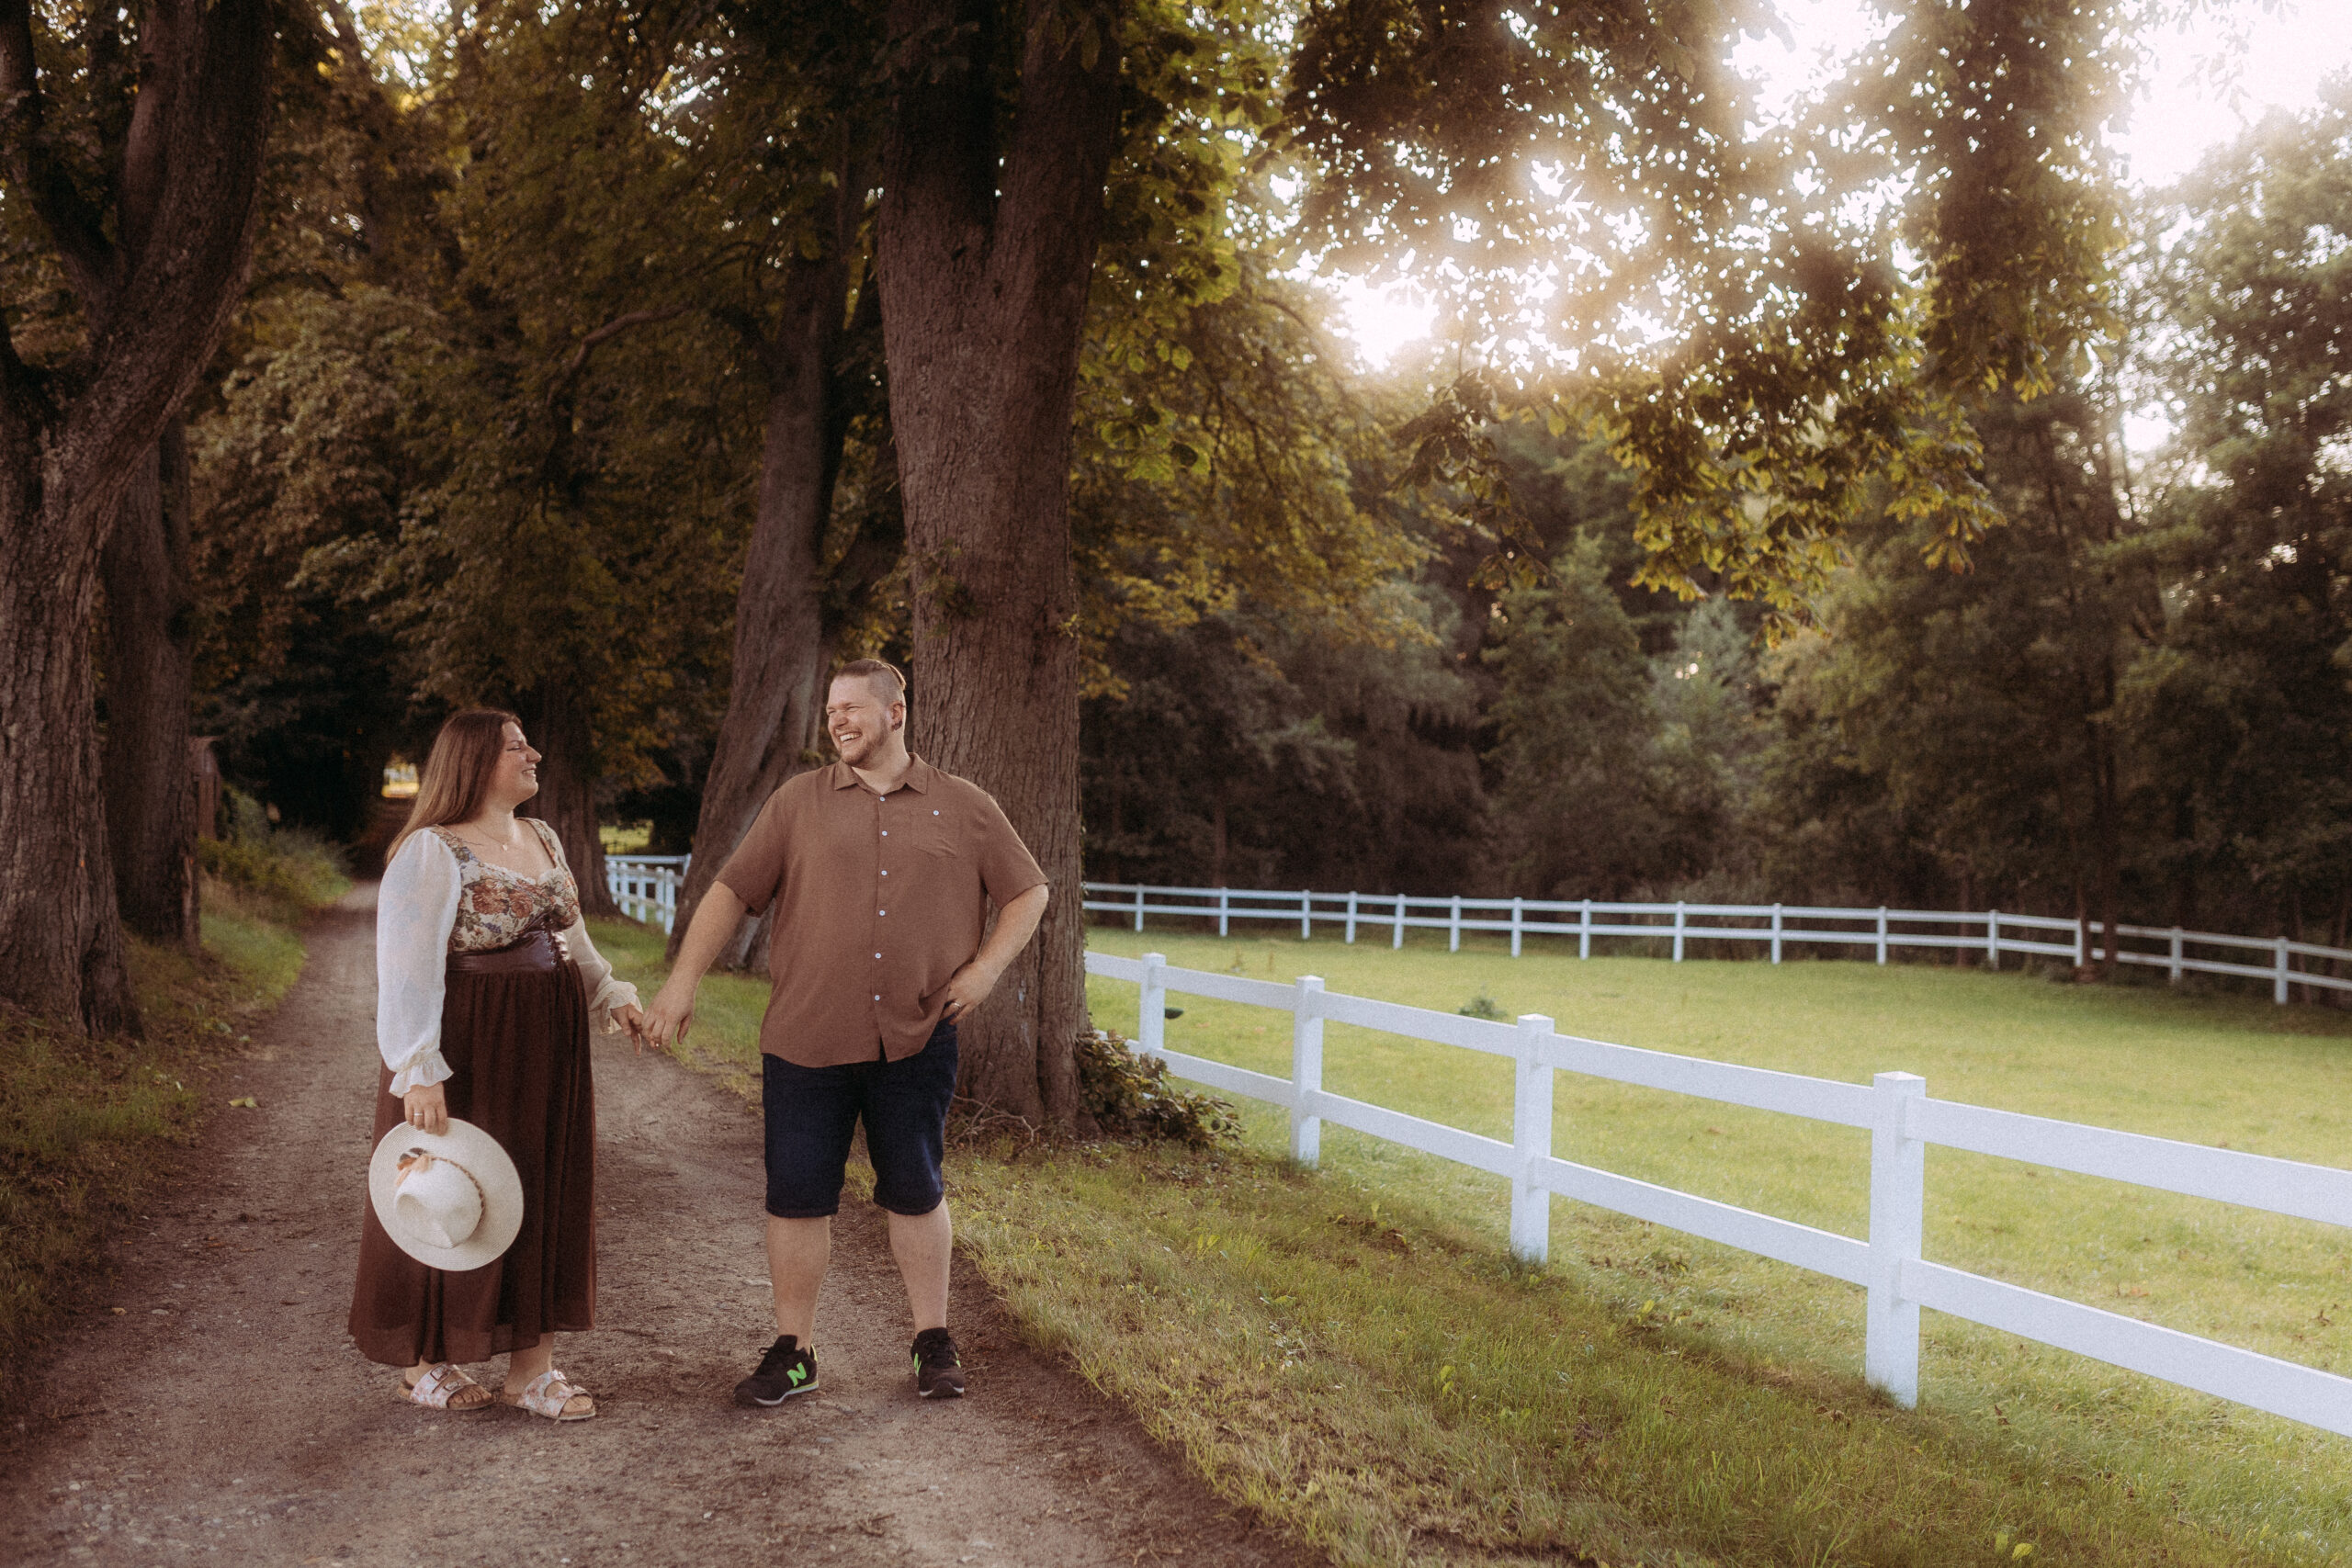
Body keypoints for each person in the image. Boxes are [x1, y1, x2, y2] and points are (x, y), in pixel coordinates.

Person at [643, 659, 1049, 1404]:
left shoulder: (963, 806)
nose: (837, 721)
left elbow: (1029, 890)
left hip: (917, 1036)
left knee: (916, 1189)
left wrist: (986, 970)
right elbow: (732, 890)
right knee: (797, 1195)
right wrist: (683, 980)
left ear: (897, 712)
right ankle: (794, 1349)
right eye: (831, 710)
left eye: (852, 708)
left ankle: (933, 1340)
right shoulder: (797, 802)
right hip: (805, 1037)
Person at [350, 708, 646, 1419]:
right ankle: (428, 1361)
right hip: (474, 1038)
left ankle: (531, 1370)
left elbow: (568, 932)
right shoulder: (432, 849)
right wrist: (419, 1065)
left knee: (540, 1182)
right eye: (517, 746)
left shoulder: (541, 835)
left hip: (550, 1034)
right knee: (452, 1182)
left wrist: (610, 991)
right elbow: (406, 965)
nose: (534, 752)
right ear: (476, 761)